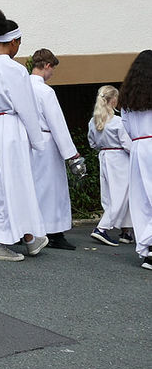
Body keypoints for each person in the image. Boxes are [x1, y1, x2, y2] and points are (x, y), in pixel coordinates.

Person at [0, 10, 49, 262]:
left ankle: (29, 236)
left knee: (0, 183)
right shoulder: (15, 70)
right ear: (14, 41)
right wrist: (38, 141)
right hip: (10, 130)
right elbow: (27, 107)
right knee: (13, 183)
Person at [29, 49, 84, 250]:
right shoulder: (45, 91)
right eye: (53, 70)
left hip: (27, 142)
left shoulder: (22, 87)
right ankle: (54, 233)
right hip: (46, 142)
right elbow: (57, 123)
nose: (52, 75)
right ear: (47, 66)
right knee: (53, 190)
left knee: (32, 188)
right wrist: (71, 153)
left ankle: (31, 231)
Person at [117, 50, 152, 271]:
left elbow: (127, 127)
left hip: (139, 148)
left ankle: (148, 248)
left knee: (142, 201)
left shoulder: (128, 97)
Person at [87, 85, 132, 246]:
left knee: (110, 195)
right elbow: (128, 145)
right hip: (120, 158)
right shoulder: (118, 121)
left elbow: (92, 143)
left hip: (104, 156)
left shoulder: (93, 121)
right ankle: (102, 228)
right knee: (121, 195)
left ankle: (126, 231)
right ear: (113, 100)